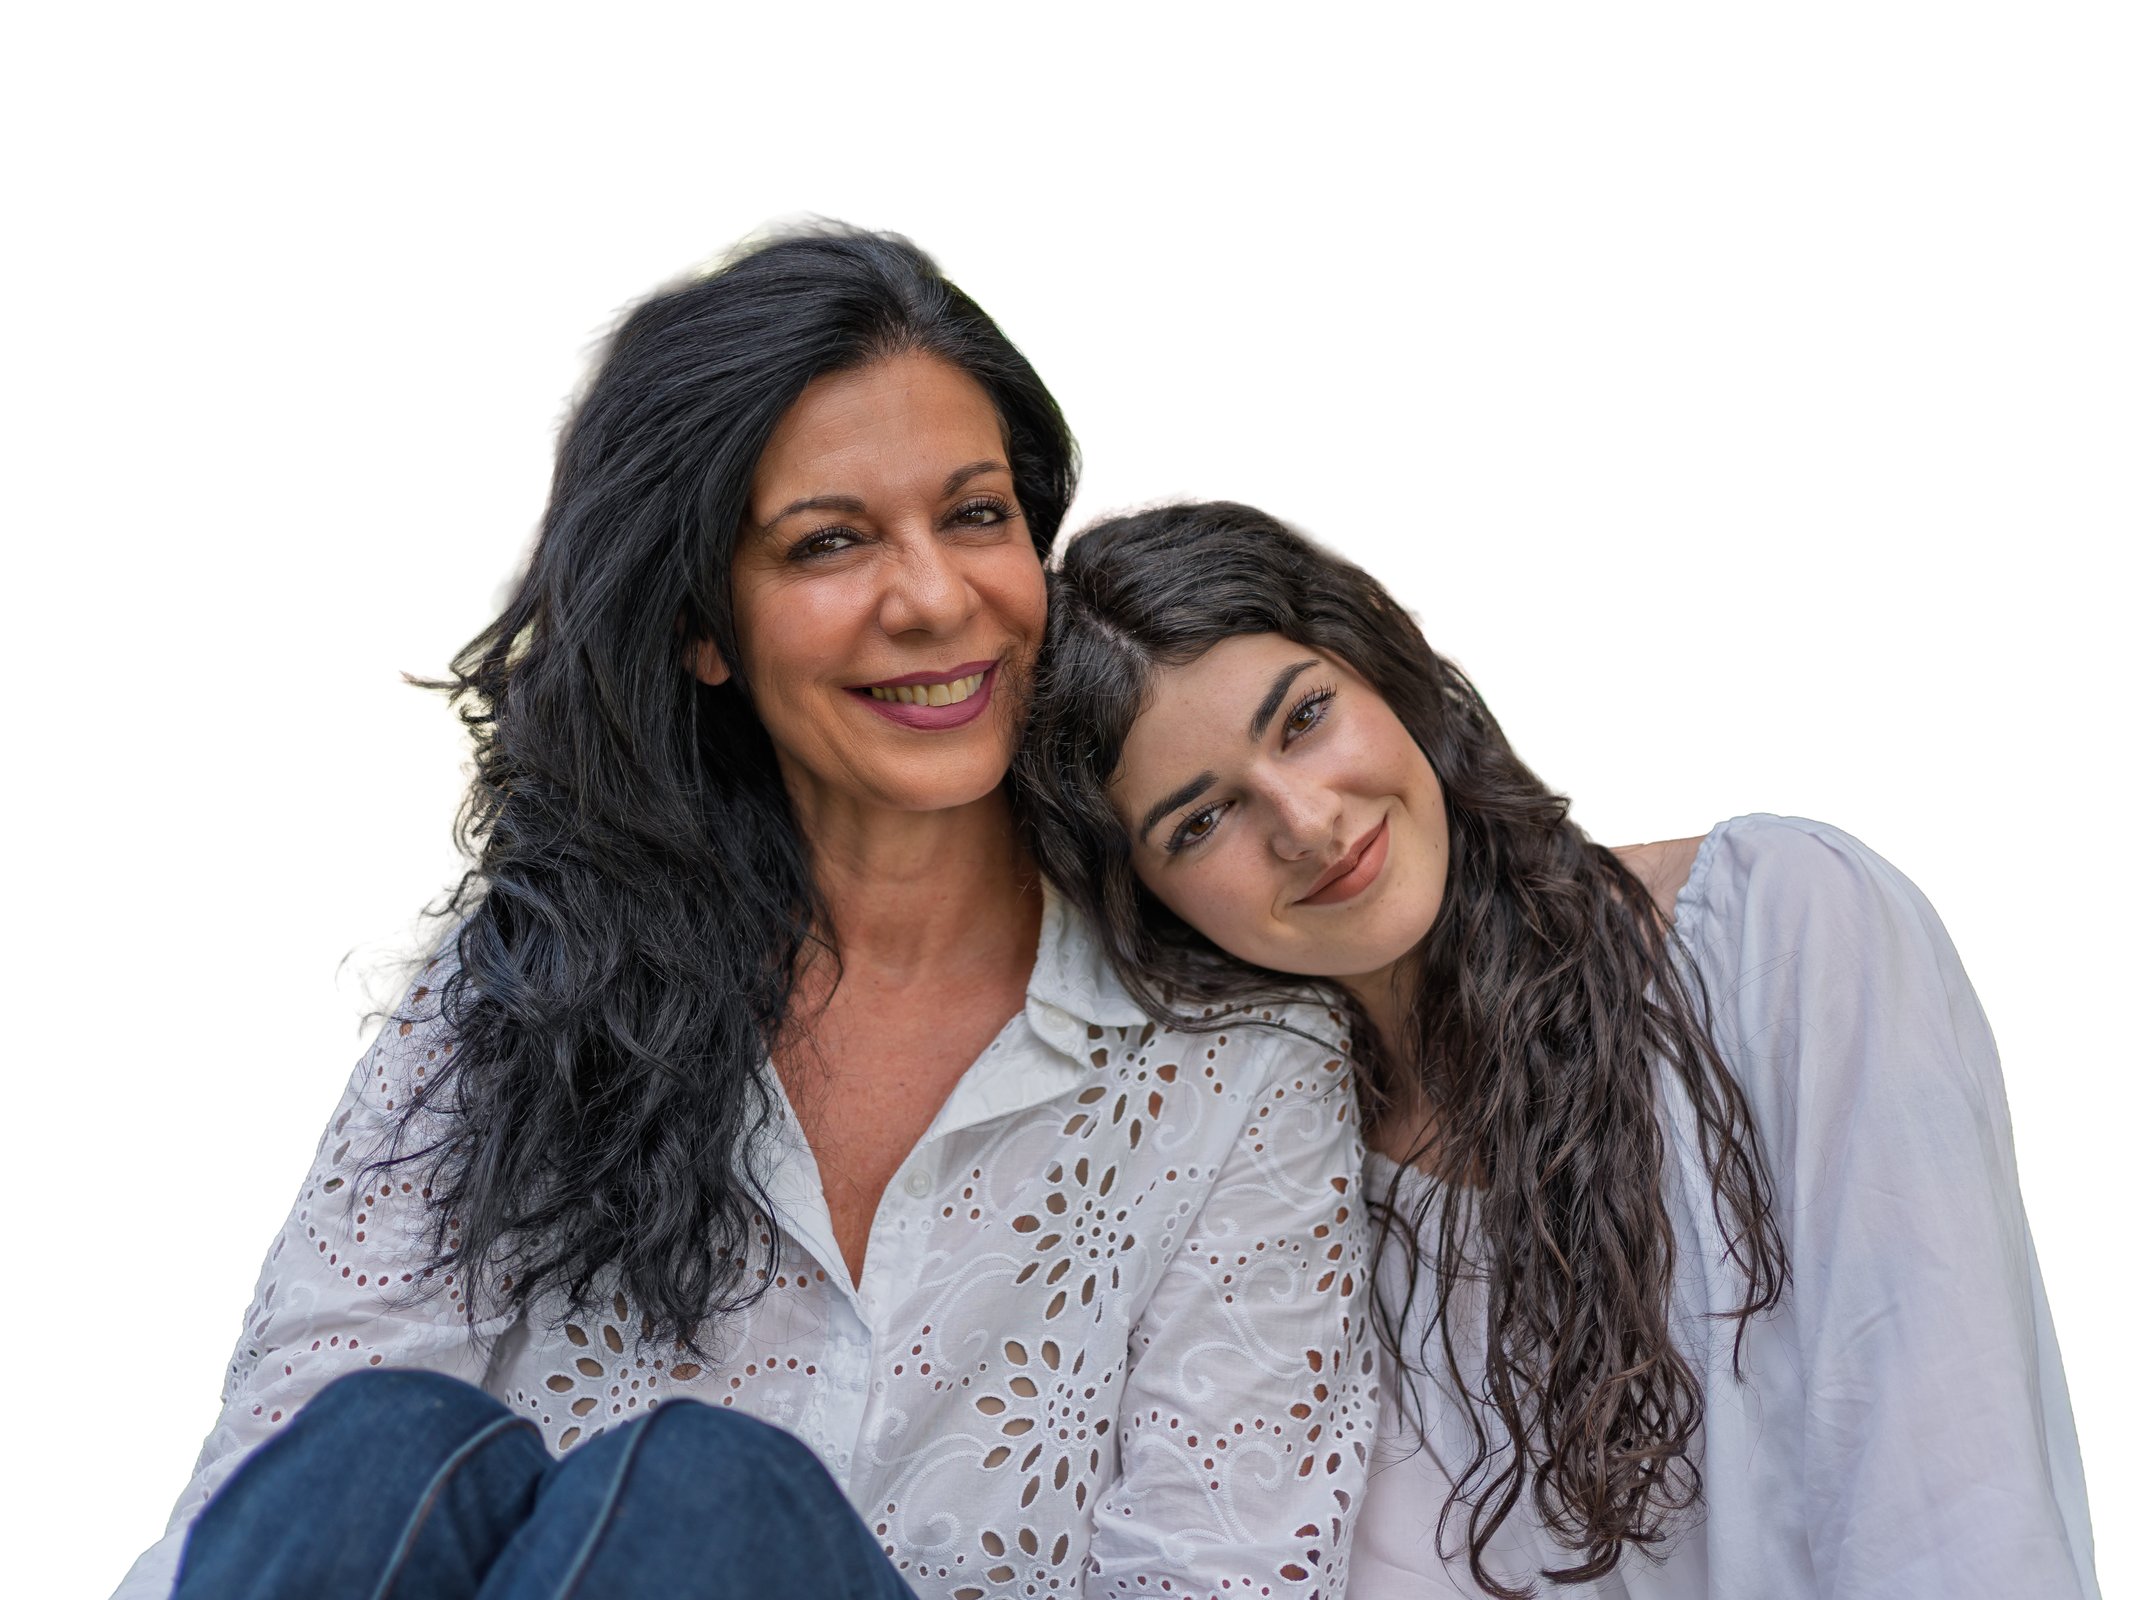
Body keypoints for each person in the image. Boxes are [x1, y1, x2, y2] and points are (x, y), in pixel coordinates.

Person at [114, 243, 1376, 1600]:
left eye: (975, 515)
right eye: (830, 543)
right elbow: (274, 1475)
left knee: (702, 1497)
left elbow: (1221, 1572)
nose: (937, 599)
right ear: (705, 628)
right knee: (371, 1447)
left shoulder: (1233, 1063)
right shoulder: (531, 982)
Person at [1016, 501, 2097, 1600]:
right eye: (1200, 822)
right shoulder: (1274, 1197)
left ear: (1380, 665)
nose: (1305, 820)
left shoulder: (1784, 930)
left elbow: (1954, 1506)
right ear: (1147, 905)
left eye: (1303, 719)